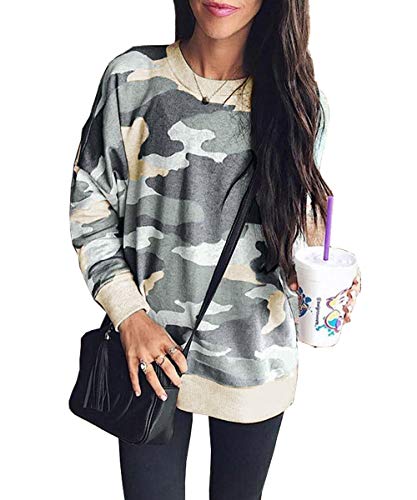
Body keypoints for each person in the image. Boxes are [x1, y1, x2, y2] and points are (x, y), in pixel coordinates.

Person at [69, 1, 361, 498]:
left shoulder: (297, 101)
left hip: (254, 360)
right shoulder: (132, 78)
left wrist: (322, 281)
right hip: (149, 357)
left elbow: (306, 229)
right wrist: (129, 315)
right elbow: (90, 207)